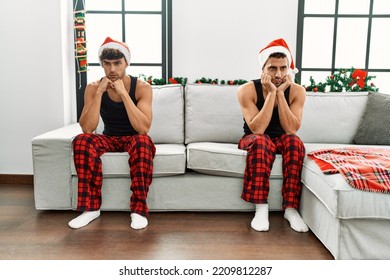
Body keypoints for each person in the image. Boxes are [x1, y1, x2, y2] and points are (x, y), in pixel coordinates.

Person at [68, 37, 156, 230]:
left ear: (126, 63)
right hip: (108, 138)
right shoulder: (93, 87)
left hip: (133, 138)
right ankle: (90, 209)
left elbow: (143, 128)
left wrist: (124, 94)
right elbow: (88, 128)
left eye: (117, 63)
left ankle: (138, 210)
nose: (112, 69)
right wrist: (99, 93)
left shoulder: (142, 87)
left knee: (143, 141)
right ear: (102, 65)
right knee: (82, 141)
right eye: (107, 64)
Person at [237, 38, 308, 232]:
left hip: (282, 137)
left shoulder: (297, 91)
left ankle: (291, 209)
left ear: (289, 69)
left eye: (283, 68)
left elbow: (291, 129)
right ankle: (261, 208)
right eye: (272, 69)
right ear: (263, 69)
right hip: (254, 138)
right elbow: (257, 129)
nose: (278, 74)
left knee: (294, 142)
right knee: (261, 141)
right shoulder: (247, 90)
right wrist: (270, 94)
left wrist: (280, 94)